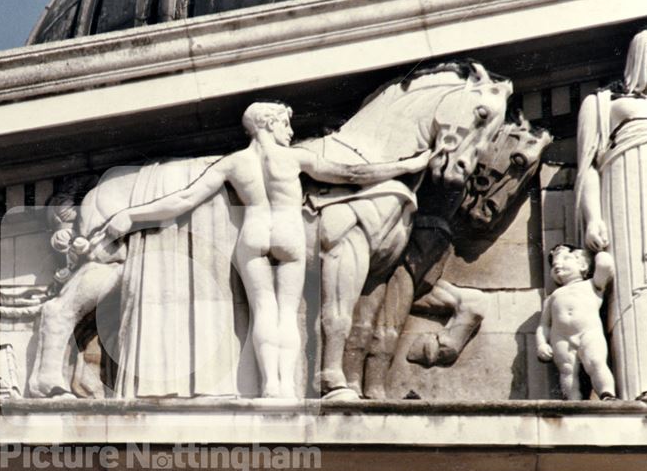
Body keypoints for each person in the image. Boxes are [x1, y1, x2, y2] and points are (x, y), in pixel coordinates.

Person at [104, 101, 429, 397]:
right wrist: (409, 166)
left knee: (263, 311)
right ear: (269, 124)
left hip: (255, 234)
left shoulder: (234, 163)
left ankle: (270, 386)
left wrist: (132, 215)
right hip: (288, 234)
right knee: (285, 314)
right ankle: (285, 385)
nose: (290, 132)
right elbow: (353, 173)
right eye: (286, 124)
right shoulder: (294, 158)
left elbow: (184, 199)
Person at [576, 29, 647, 401]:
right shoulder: (603, 103)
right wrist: (592, 217)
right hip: (630, 201)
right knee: (641, 286)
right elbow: (588, 168)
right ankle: (646, 383)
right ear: (642, 54)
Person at [536, 245, 616, 400]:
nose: (558, 264)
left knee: (595, 362)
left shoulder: (592, 285)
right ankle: (573, 402)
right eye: (553, 264)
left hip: (588, 331)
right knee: (567, 370)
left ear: (582, 265)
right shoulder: (553, 296)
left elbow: (605, 264)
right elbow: (543, 325)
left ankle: (607, 394)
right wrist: (541, 344)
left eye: (566, 259)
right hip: (560, 337)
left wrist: (599, 250)